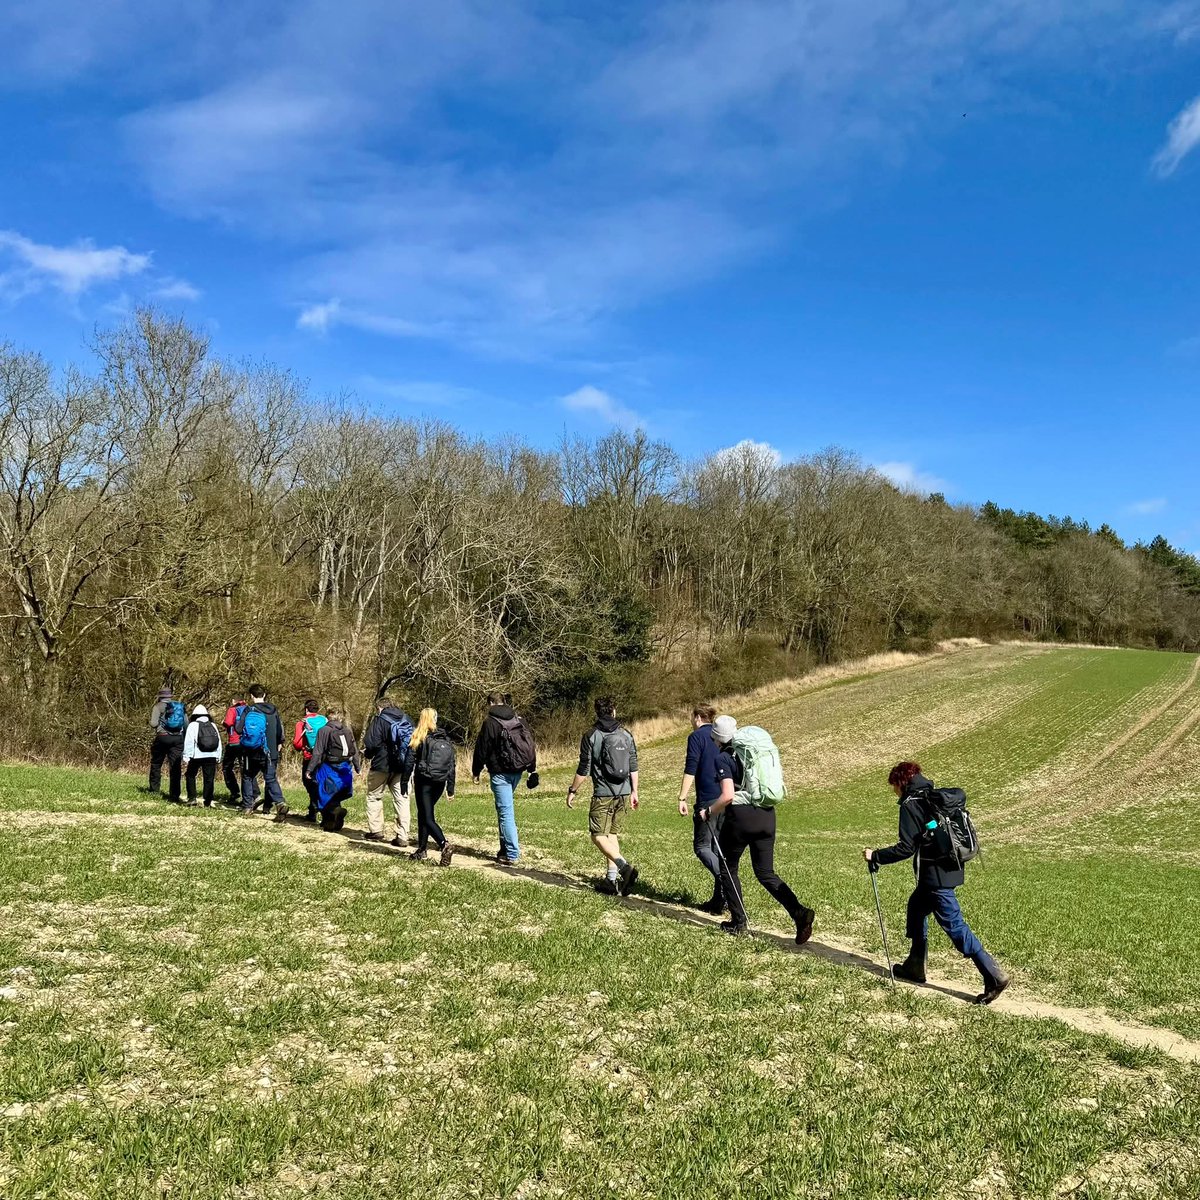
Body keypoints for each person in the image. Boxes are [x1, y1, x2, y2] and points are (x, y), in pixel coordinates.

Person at [863, 761, 1009, 1005]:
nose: (894, 792)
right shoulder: (935, 797)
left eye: (894, 787)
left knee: (955, 925)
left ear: (901, 783)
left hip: (935, 877)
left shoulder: (911, 804)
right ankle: (915, 965)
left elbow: (906, 848)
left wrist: (876, 855)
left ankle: (993, 974)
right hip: (950, 869)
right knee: (917, 907)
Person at [703, 715, 816, 943]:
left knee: (728, 868)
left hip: (741, 819)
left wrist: (708, 811)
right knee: (765, 873)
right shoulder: (753, 753)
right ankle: (799, 912)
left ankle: (739, 922)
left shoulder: (724, 758)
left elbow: (727, 796)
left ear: (717, 738)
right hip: (766, 816)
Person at [567, 696, 639, 894]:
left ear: (597, 712)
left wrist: (573, 790)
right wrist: (635, 791)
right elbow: (633, 765)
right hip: (624, 793)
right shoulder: (626, 735)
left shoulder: (591, 735)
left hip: (603, 794)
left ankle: (624, 867)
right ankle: (611, 880)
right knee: (611, 834)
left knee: (598, 836)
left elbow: (584, 768)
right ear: (613, 711)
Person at [472, 692, 539, 865]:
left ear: (491, 703)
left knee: (506, 813)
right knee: (503, 810)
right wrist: (532, 770)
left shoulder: (490, 723)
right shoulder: (519, 719)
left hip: (500, 773)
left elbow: (482, 749)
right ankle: (504, 850)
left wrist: (476, 770)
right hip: (517, 771)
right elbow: (529, 746)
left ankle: (512, 854)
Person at [678, 703, 724, 913]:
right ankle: (718, 901)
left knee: (702, 847)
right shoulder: (720, 735)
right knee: (717, 850)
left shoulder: (696, 737)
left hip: (707, 800)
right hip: (727, 798)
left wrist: (682, 797)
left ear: (697, 717)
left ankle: (726, 881)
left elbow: (691, 768)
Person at [401, 708, 456, 866]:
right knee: (425, 813)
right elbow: (452, 764)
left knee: (426, 816)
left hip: (424, 781)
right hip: (440, 781)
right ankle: (421, 849)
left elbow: (409, 761)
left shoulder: (419, 736)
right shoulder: (444, 737)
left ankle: (444, 844)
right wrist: (450, 788)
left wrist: (404, 782)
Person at [362, 695, 413, 846]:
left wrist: (368, 754)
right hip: (403, 766)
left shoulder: (379, 720)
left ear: (380, 707)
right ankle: (402, 835)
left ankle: (376, 830)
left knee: (374, 796)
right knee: (402, 799)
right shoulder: (407, 719)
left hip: (381, 765)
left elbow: (371, 743)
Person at [307, 709, 362, 832]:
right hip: (345, 766)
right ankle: (333, 823)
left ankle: (334, 811)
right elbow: (355, 750)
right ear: (340, 718)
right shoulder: (347, 730)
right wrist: (358, 767)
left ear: (327, 719)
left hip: (329, 766)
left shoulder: (324, 730)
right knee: (336, 793)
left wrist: (309, 769)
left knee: (323, 792)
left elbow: (318, 752)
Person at [235, 684, 286, 819]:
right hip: (271, 751)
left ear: (251, 696)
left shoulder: (249, 709)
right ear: (264, 695)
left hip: (252, 750)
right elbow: (279, 731)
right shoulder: (274, 710)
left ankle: (247, 807)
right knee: (270, 778)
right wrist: (279, 743)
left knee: (248, 776)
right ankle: (280, 803)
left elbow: (239, 729)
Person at [148, 686, 186, 803]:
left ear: (160, 696)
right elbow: (186, 723)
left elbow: (154, 724)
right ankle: (174, 795)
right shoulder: (179, 706)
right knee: (175, 766)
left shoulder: (158, 706)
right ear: (170, 696)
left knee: (156, 763)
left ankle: (154, 790)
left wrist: (157, 721)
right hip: (177, 739)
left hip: (163, 737)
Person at [181, 704, 222, 807]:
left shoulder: (193, 725)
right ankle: (207, 801)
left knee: (190, 775)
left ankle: (192, 798)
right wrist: (218, 755)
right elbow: (219, 742)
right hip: (211, 755)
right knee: (209, 778)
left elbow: (189, 742)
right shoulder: (213, 725)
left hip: (197, 756)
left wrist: (186, 756)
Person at [292, 699, 327, 821]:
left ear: (306, 709)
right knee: (320, 783)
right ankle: (321, 810)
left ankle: (314, 809)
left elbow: (297, 743)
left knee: (309, 782)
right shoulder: (324, 721)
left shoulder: (301, 723)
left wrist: (301, 747)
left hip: (309, 757)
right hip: (324, 757)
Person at [221, 696, 246, 803]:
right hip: (246, 742)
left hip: (233, 743)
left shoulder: (232, 710)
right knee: (244, 769)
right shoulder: (248, 709)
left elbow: (228, 723)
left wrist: (223, 722)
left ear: (233, 701)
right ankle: (248, 796)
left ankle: (234, 792)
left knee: (227, 767)